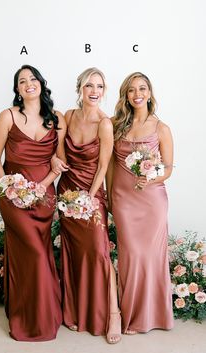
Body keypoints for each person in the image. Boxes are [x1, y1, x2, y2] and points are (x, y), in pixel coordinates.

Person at [0, 64, 66, 341]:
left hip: (45, 196)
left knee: (40, 252)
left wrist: (49, 174)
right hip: (14, 198)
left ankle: (47, 313)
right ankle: (29, 319)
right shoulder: (7, 116)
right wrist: (10, 186)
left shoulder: (57, 119)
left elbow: (59, 159)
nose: (29, 84)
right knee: (32, 253)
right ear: (17, 90)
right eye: (22, 81)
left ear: (41, 84)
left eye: (33, 79)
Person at [55, 68, 121, 344]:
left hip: (91, 195)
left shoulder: (105, 124)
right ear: (79, 89)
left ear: (104, 91)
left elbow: (103, 165)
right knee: (74, 252)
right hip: (67, 192)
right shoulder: (68, 116)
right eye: (89, 85)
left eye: (100, 86)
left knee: (98, 252)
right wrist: (59, 168)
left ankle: (113, 314)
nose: (95, 91)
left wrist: (89, 198)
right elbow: (58, 149)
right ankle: (75, 310)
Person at [107, 72, 174, 334]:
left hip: (152, 201)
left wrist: (152, 177)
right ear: (125, 95)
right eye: (132, 90)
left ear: (149, 93)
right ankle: (132, 315)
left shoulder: (161, 128)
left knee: (151, 258)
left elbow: (168, 169)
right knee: (130, 258)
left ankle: (154, 317)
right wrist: (111, 197)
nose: (137, 94)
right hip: (124, 200)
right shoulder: (116, 125)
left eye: (142, 89)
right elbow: (111, 164)